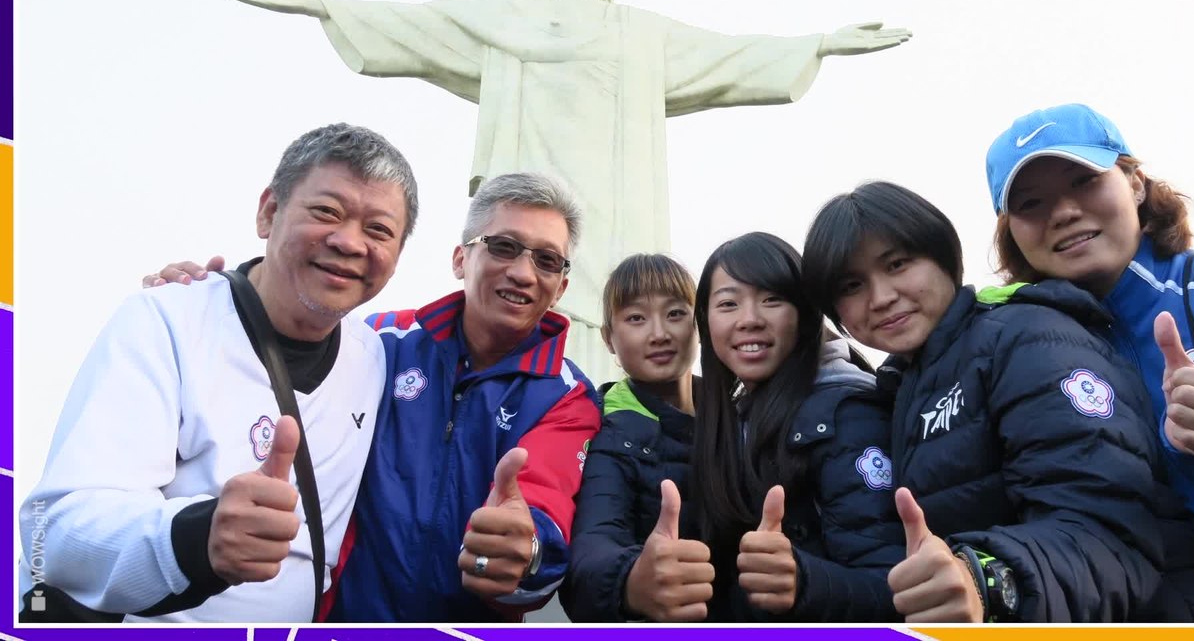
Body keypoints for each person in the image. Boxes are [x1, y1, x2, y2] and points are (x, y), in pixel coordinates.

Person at [220, 0, 912, 382]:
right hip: (532, 196)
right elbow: (425, 26)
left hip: (617, 205)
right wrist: (322, 5)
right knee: (530, 279)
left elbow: (727, 55)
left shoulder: (640, 34)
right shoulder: (511, 18)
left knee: (619, 302)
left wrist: (817, 43)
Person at [145, 172, 603, 622]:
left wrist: (527, 553)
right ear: (461, 259)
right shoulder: (379, 342)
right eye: (503, 247)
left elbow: (545, 511)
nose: (523, 273)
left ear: (560, 287)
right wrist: (213, 299)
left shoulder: (569, 398)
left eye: (547, 260)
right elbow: (285, 328)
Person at [19, 123, 418, 622]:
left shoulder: (378, 358)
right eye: (326, 212)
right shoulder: (167, 321)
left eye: (378, 229)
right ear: (269, 212)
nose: (349, 242)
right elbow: (57, 529)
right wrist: (197, 537)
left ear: (397, 257)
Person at [801, 181, 1194, 622]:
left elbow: (1106, 529)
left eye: (897, 264)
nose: (881, 297)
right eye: (852, 285)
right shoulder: (903, 385)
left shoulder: (1027, 337)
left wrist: (989, 579)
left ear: (944, 257)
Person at [983, 103, 1194, 616]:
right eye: (1031, 202)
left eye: (1084, 181)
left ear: (1134, 181)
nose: (1063, 212)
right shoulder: (1020, 361)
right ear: (1011, 231)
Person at [686, 232, 904, 622]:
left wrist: (803, 581)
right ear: (705, 320)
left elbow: (895, 586)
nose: (749, 319)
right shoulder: (733, 416)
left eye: (772, 299)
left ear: (805, 313)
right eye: (728, 303)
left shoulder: (848, 415)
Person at [561, 253, 705, 622]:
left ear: (700, 322)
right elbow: (591, 548)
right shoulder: (603, 427)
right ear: (609, 338)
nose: (659, 333)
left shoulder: (740, 414)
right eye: (636, 318)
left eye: (675, 313)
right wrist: (630, 581)